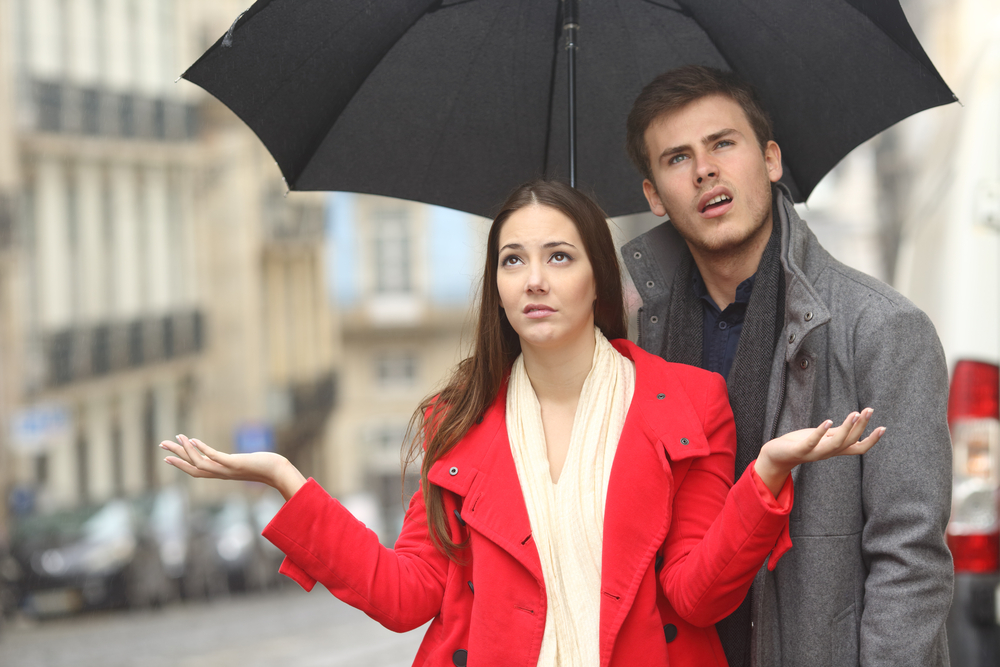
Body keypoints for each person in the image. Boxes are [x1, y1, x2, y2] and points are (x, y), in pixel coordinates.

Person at [160, 180, 880, 667]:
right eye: (513, 260)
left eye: (558, 256)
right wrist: (289, 483)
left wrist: (766, 475)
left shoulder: (689, 402)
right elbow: (407, 594)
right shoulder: (457, 419)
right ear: (497, 287)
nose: (534, 278)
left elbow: (697, 593)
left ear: (596, 278)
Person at [621, 66, 953, 667]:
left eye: (723, 143)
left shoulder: (881, 328)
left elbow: (911, 562)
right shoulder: (638, 347)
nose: (704, 170)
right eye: (678, 158)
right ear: (654, 197)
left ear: (771, 160)